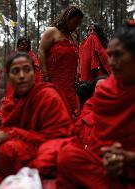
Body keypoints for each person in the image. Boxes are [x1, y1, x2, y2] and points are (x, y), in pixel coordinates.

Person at [0, 52, 73, 187]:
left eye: (27, 70)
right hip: (20, 146)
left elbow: (59, 136)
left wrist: (11, 134)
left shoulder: (48, 95)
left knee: (8, 150)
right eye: (16, 71)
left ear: (34, 74)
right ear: (9, 78)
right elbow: (6, 129)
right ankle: (7, 184)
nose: (22, 76)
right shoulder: (10, 103)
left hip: (45, 147)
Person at [57, 25, 135, 189]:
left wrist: (127, 157)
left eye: (119, 55)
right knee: (67, 156)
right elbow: (99, 143)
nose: (111, 62)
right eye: (110, 55)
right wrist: (108, 158)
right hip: (110, 169)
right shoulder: (105, 92)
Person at [38, 6, 83, 114]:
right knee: (52, 109)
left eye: (78, 24)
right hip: (52, 79)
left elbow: (74, 58)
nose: (76, 26)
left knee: (69, 110)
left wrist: (77, 74)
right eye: (75, 22)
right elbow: (41, 51)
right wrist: (45, 75)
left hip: (69, 83)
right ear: (67, 18)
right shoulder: (52, 32)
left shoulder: (72, 37)